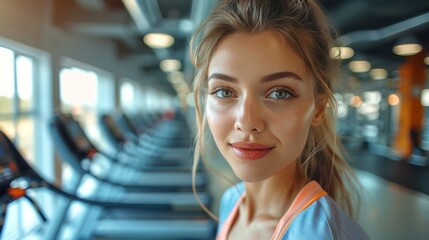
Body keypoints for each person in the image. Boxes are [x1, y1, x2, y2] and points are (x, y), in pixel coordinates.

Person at [190, 0, 369, 239]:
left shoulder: (317, 234)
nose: (247, 121)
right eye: (224, 91)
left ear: (318, 107)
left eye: (279, 93)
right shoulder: (232, 201)